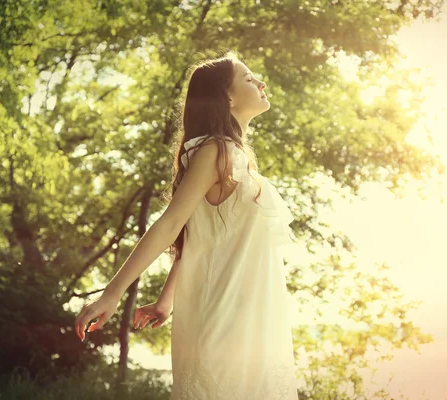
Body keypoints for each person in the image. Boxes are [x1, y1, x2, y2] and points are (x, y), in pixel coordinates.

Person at [75, 51, 299, 399]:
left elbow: (199, 235)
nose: (261, 82)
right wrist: (113, 292)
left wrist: (167, 300)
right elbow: (171, 223)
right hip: (222, 320)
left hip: (250, 318)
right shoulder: (215, 152)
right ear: (226, 96)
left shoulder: (235, 157)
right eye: (249, 78)